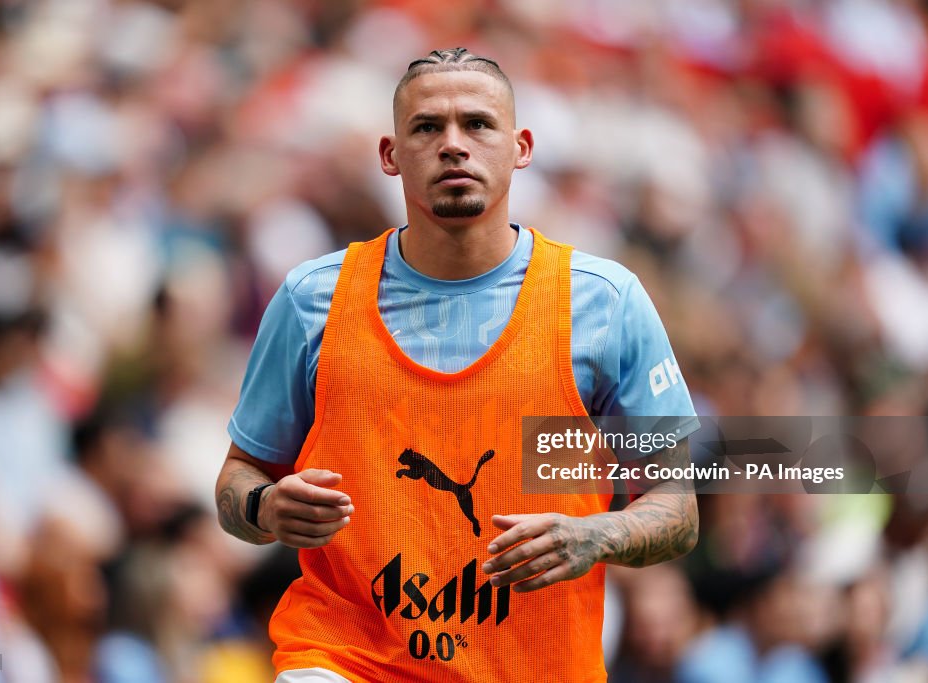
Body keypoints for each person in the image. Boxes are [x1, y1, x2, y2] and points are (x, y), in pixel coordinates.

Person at [216, 47, 700, 683]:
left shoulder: (603, 304)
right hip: (345, 660)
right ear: (390, 155)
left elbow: (680, 509)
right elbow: (236, 482)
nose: (453, 145)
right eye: (427, 127)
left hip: (537, 666)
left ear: (521, 146)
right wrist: (266, 508)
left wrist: (595, 537)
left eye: (477, 124)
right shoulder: (313, 300)